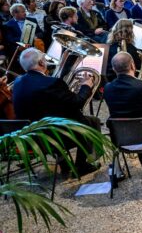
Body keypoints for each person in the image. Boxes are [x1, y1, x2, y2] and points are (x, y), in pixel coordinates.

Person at [13, 48, 101, 177]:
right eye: (45, 60)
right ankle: (82, 166)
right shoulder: (52, 83)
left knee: (55, 118)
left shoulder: (18, 82)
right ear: (42, 64)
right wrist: (86, 85)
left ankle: (64, 164)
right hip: (56, 137)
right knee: (89, 121)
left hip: (33, 138)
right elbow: (77, 103)